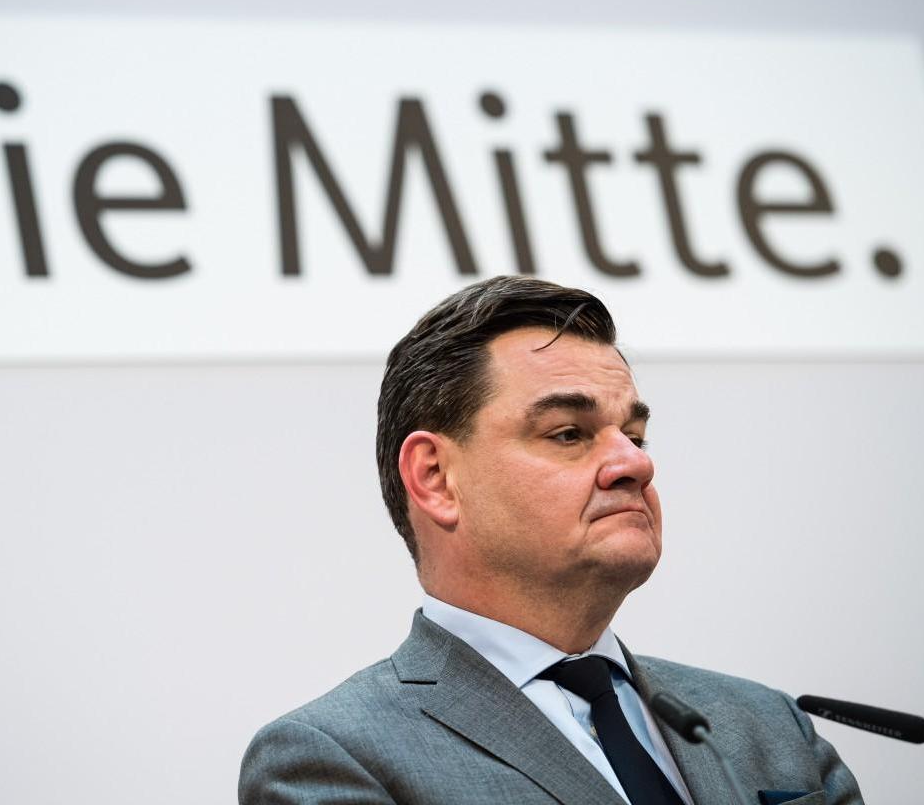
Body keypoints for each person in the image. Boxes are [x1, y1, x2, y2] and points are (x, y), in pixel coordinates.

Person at [239, 276, 862, 805]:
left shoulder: (770, 729)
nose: (634, 465)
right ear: (435, 478)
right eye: (569, 433)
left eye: (636, 437)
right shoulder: (335, 756)